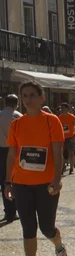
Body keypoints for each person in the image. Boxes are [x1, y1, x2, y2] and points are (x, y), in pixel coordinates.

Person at [3, 81, 70, 256]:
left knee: (47, 228)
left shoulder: (52, 122)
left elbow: (58, 153)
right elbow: (12, 154)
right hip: (22, 183)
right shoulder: (16, 124)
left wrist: (57, 178)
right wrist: (8, 182)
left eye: (32, 95)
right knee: (28, 228)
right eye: (25, 96)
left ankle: (59, 246)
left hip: (46, 183)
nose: (28, 99)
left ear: (42, 98)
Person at [0, 94, 22, 223]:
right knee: (15, 179)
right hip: (14, 150)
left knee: (4, 181)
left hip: (1, 150)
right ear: (16, 103)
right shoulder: (18, 116)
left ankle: (8, 210)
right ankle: (14, 209)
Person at [58, 103, 75, 174]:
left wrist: (74, 136)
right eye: (61, 108)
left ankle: (71, 169)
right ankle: (62, 168)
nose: (62, 109)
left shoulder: (72, 117)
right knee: (61, 154)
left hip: (70, 138)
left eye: (63, 108)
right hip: (62, 138)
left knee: (71, 153)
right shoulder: (59, 117)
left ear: (67, 109)